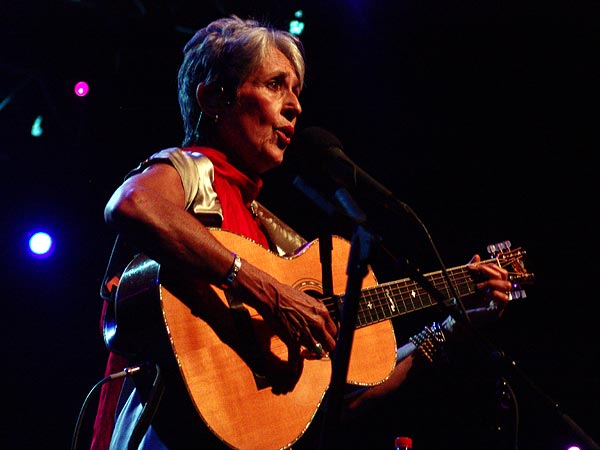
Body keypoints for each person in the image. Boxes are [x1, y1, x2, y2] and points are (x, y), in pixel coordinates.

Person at [90, 15, 513, 450]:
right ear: (214, 97)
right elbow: (131, 204)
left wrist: (452, 324)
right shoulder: (190, 170)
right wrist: (267, 292)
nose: (295, 106)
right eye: (275, 85)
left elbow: (341, 401)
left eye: (295, 90)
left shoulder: (275, 239)